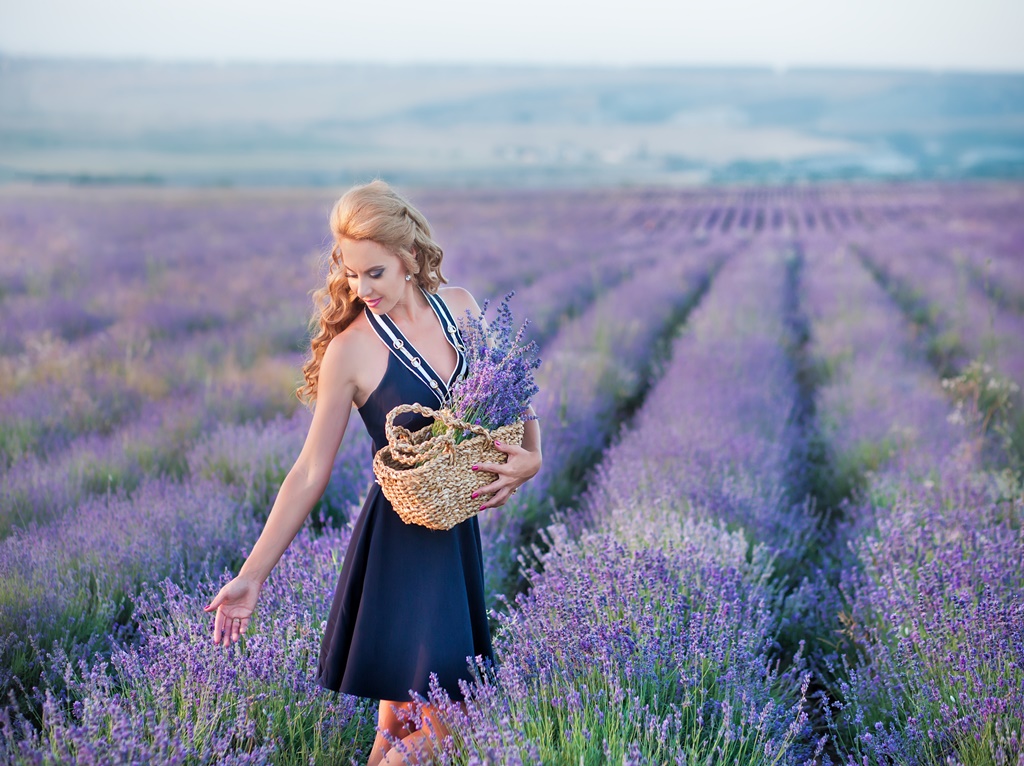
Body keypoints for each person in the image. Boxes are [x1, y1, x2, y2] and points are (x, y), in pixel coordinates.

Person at [203, 180, 543, 765]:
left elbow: (513, 400)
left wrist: (532, 458)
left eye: (376, 273)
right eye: (352, 274)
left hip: (456, 533)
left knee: (401, 726)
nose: (362, 289)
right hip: (401, 544)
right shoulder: (352, 350)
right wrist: (252, 576)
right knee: (453, 726)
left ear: (409, 258)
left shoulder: (461, 308)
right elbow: (310, 471)